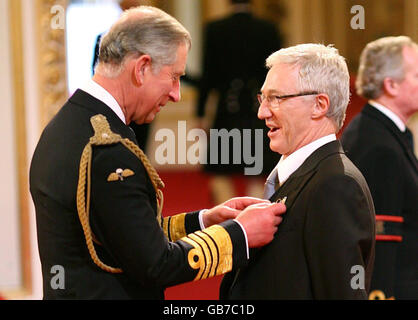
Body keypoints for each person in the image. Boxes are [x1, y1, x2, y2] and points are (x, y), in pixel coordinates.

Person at [29, 6, 286, 299]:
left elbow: (124, 233)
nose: (176, 93)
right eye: (174, 77)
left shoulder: (73, 123)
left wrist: (203, 220)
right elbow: (156, 264)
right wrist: (238, 235)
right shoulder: (108, 150)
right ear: (141, 68)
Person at [220, 43, 376, 299]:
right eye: (263, 98)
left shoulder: (335, 186)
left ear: (319, 105)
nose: (262, 112)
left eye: (276, 98)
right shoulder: (303, 175)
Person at [341, 36, 418, 300]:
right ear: (391, 84)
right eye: (417, 75)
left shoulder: (383, 131)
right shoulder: (378, 145)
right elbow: (379, 239)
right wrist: (379, 295)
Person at [196, 0, 282, 202]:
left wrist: (200, 114)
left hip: (226, 110)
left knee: (220, 170)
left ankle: (227, 222)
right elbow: (277, 76)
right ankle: (251, 219)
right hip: (260, 110)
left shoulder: (215, 29)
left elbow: (207, 77)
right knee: (257, 170)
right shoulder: (269, 29)